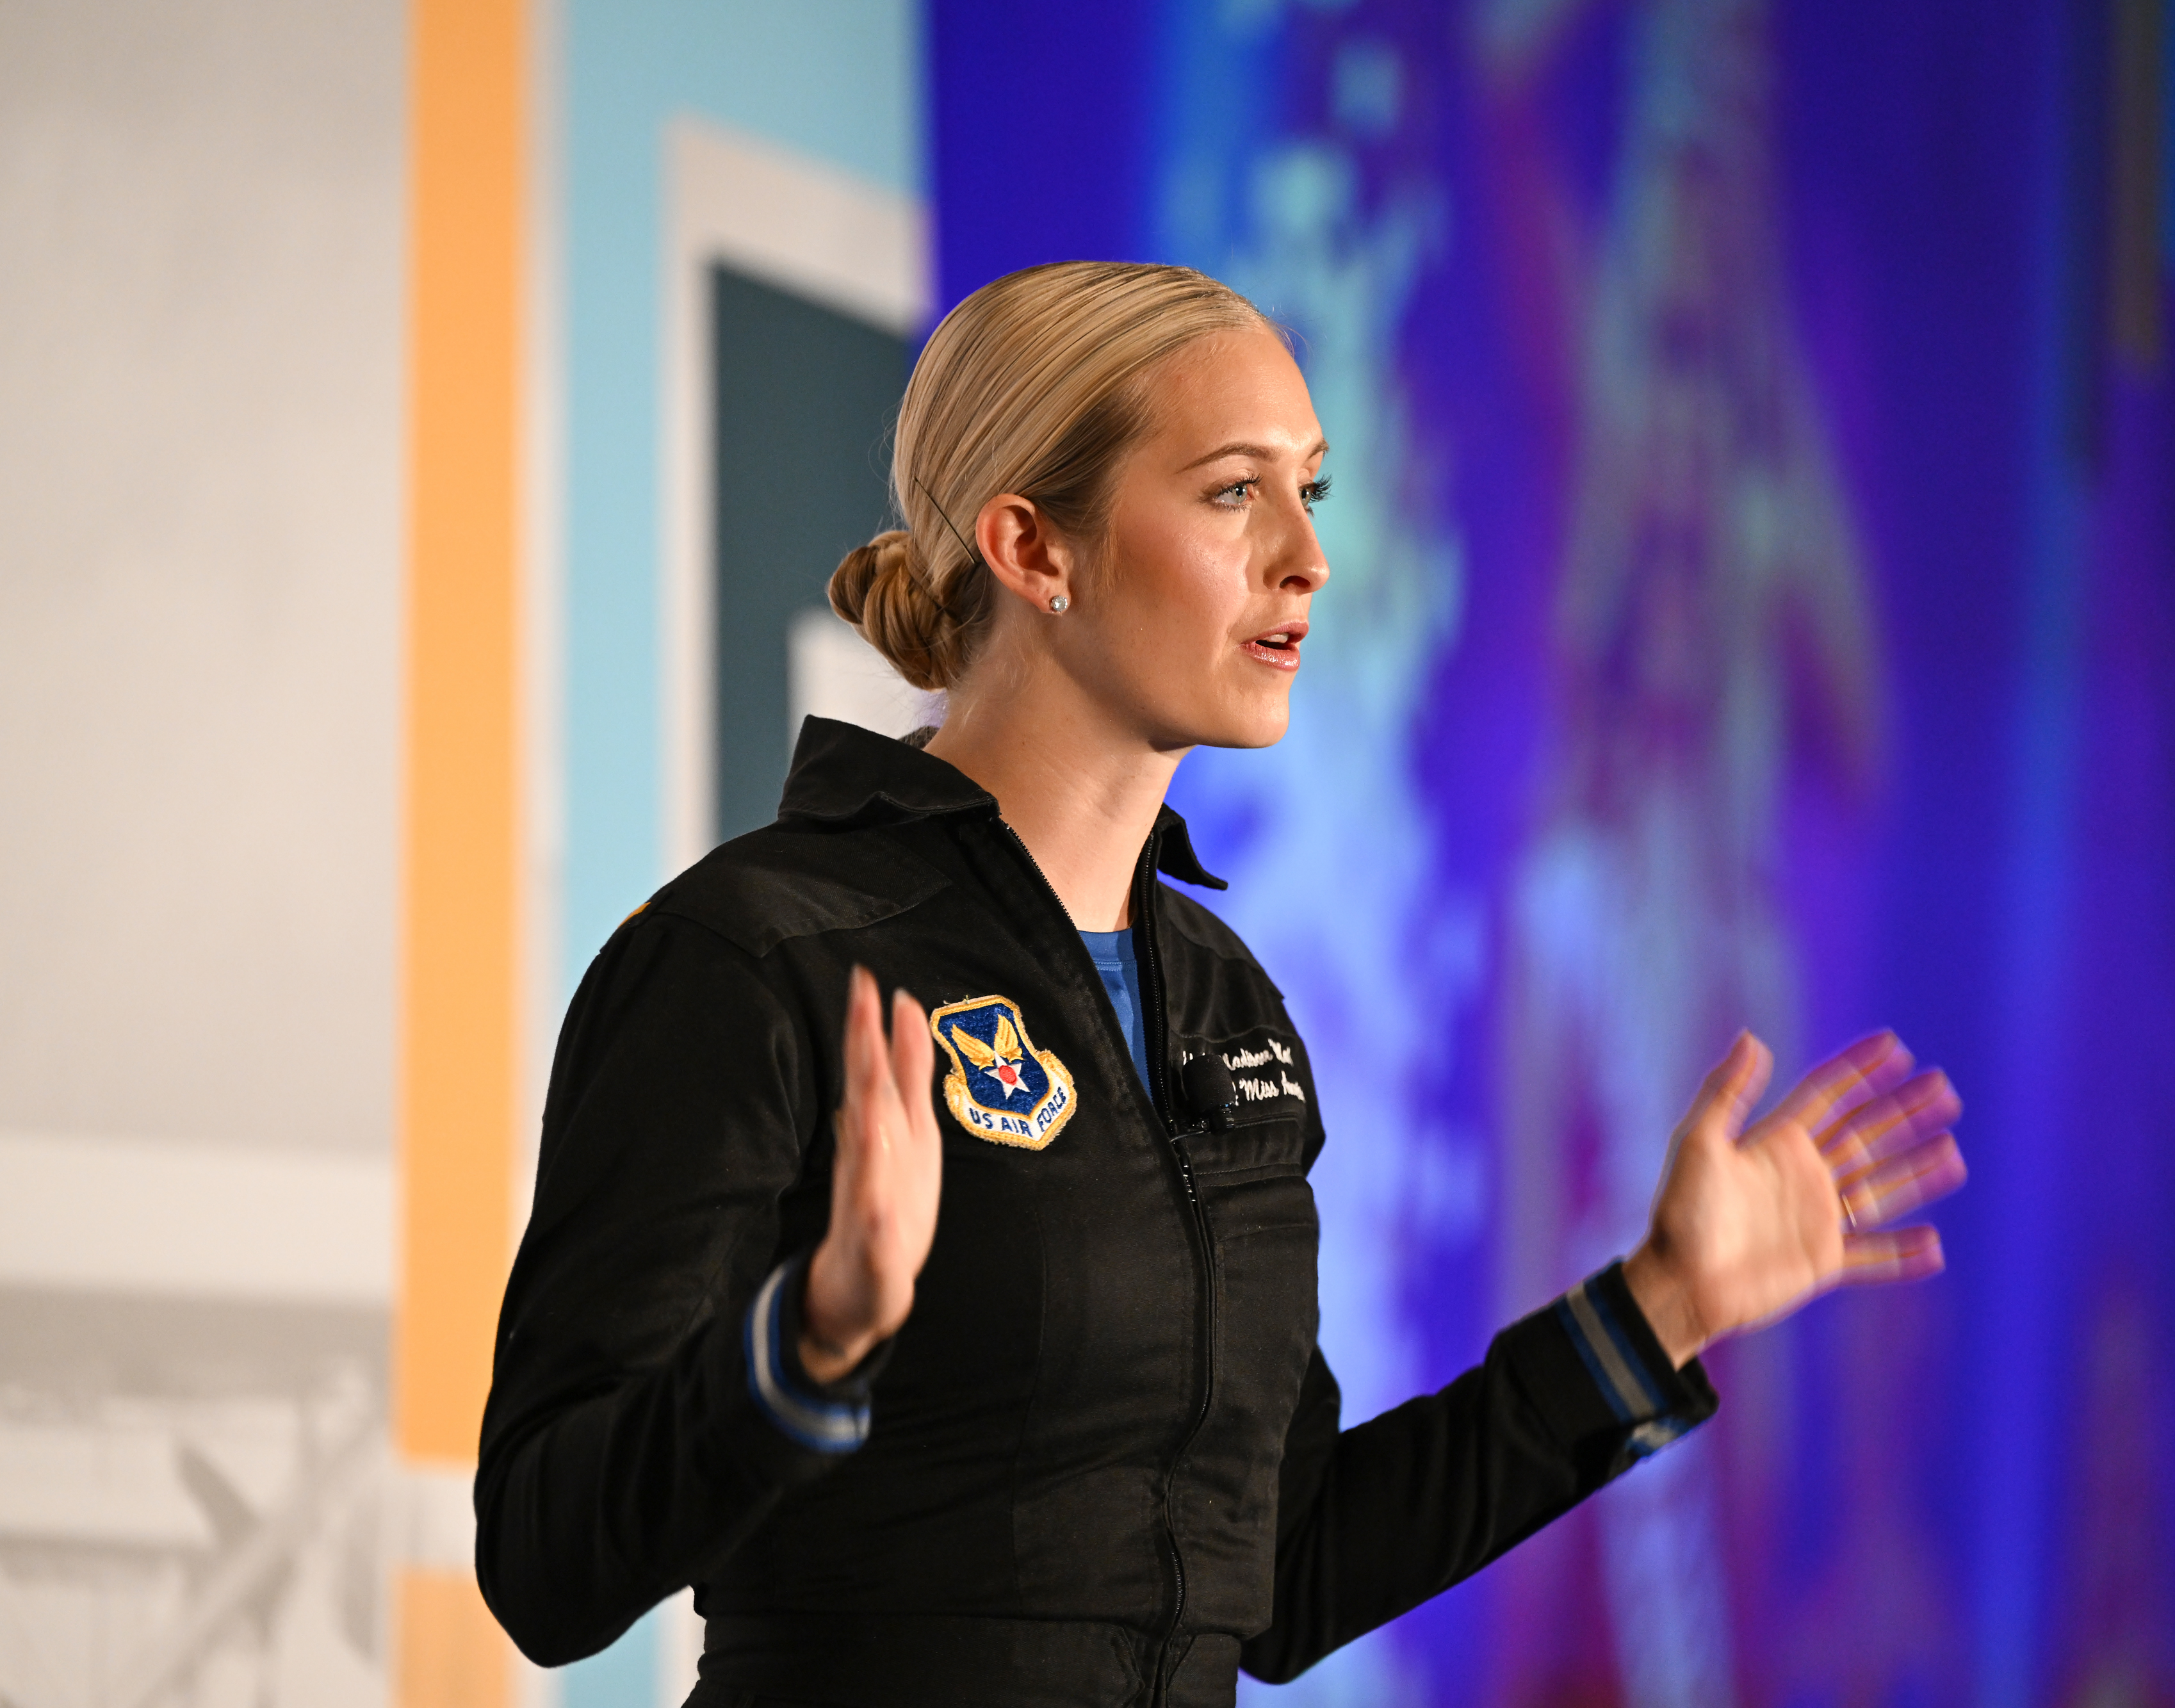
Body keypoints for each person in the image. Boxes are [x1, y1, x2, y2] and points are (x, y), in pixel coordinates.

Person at [474, 261, 1967, 1708]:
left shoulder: (1222, 1001)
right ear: (1031, 549)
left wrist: (1655, 1310)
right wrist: (802, 1346)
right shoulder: (754, 954)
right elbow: (545, 1563)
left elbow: (1287, 1570)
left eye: (1308, 490)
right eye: (1231, 490)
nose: (1306, 557)